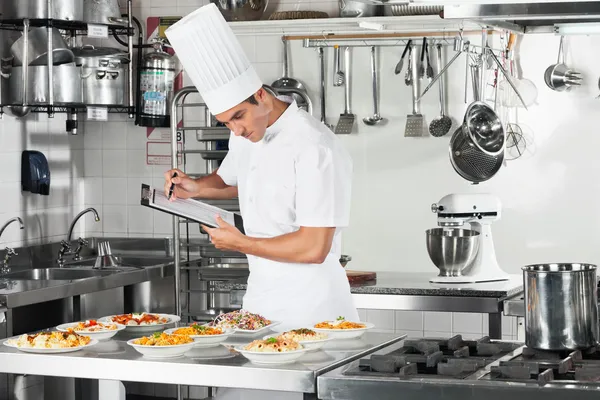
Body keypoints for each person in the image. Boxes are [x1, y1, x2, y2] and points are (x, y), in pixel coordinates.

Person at [165, 4, 358, 399]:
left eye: (238, 117)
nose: (235, 130)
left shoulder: (315, 147)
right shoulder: (245, 136)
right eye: (226, 123)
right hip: (260, 307)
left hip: (313, 315)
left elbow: (314, 247)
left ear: (259, 95)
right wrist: (196, 187)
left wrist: (241, 243)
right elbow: (233, 181)